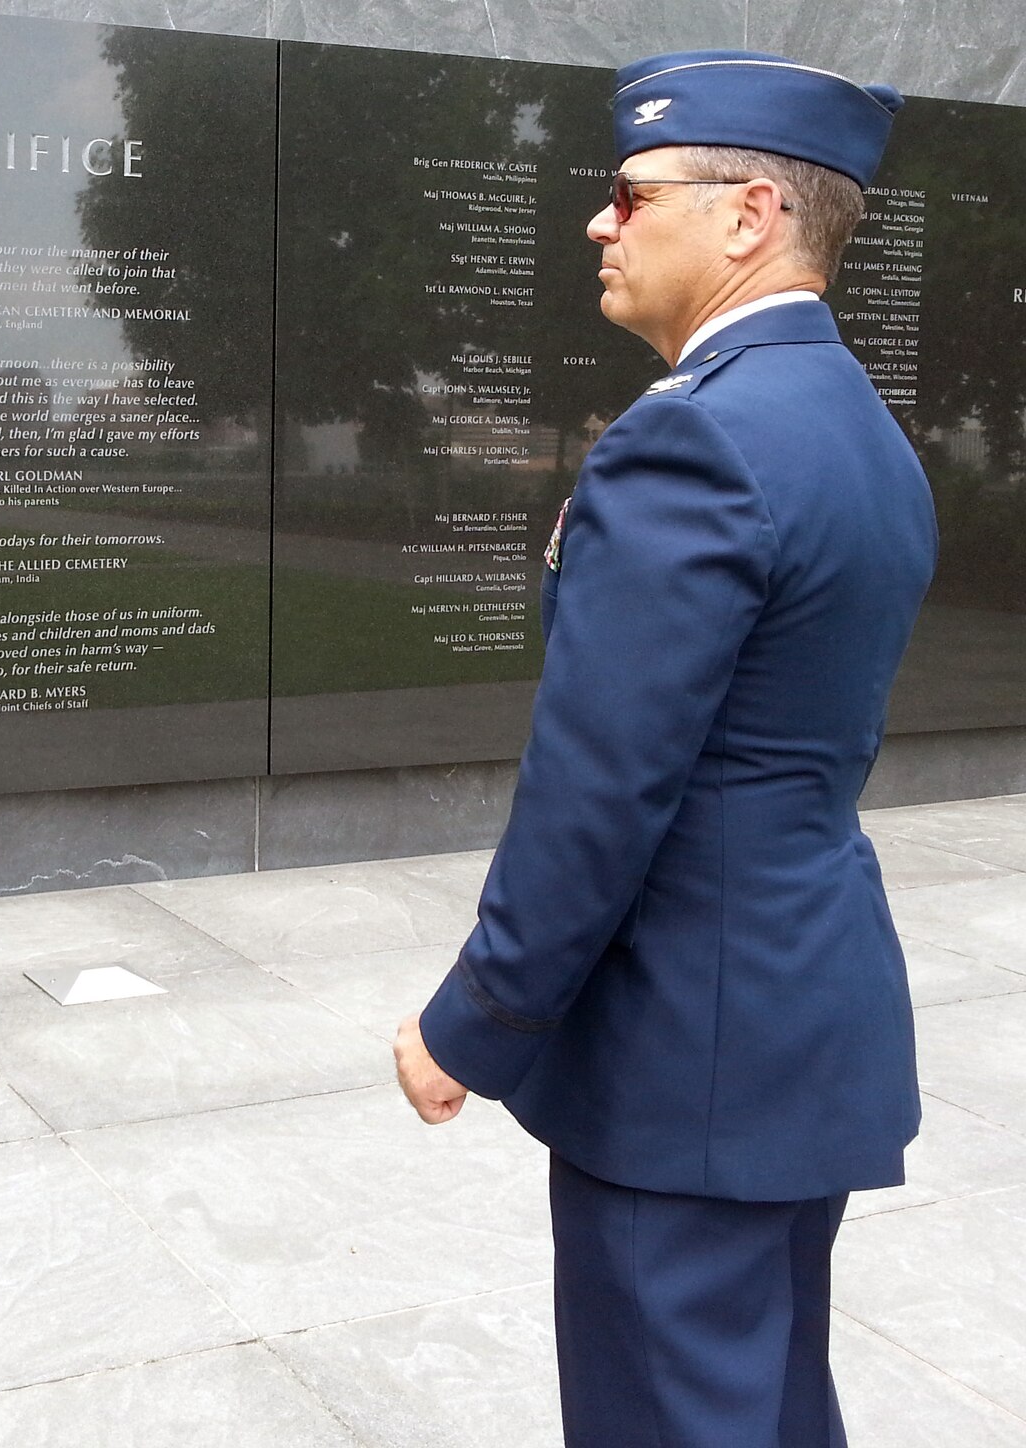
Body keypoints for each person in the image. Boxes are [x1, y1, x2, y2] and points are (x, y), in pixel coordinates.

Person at [392, 51, 936, 1446]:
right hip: (794, 1011)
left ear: (749, 214)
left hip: (682, 1046)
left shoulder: (693, 441)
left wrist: (479, 1020)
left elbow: (603, 786)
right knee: (758, 1402)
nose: (601, 222)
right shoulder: (862, 430)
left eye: (632, 195)